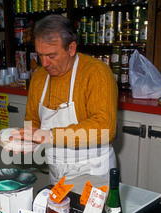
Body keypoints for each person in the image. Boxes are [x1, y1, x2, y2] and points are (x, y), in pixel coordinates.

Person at [17, 14, 118, 184]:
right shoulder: (39, 77)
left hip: (92, 170)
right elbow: (33, 119)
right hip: (57, 171)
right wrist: (27, 140)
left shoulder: (96, 72)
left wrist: (49, 135)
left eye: (51, 56)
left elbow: (105, 128)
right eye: (40, 55)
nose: (44, 63)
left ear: (71, 48)